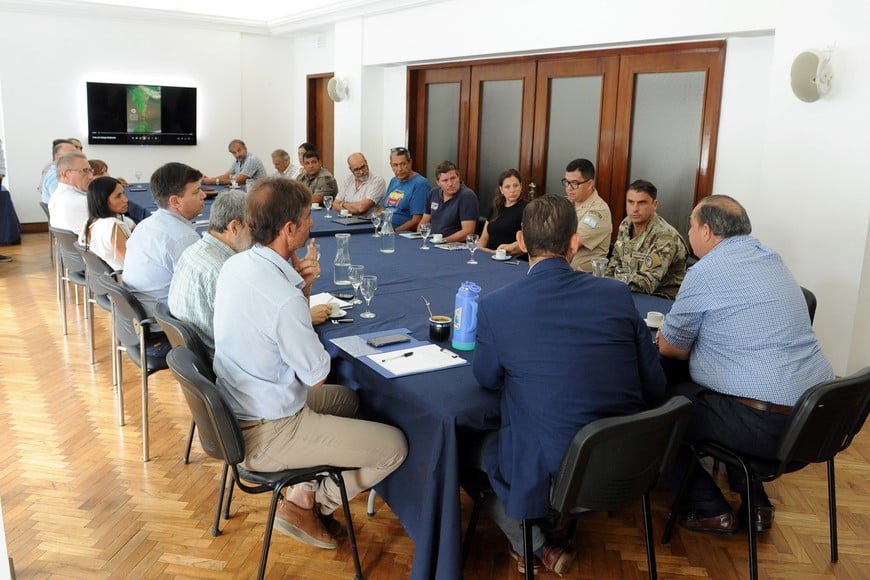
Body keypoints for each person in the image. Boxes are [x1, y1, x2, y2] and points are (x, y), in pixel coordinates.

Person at [470, 194, 666, 575]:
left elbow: (487, 378)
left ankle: (532, 541)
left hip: (559, 468)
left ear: (522, 241)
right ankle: (540, 536)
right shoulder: (616, 294)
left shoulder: (497, 305)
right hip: (630, 457)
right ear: (574, 243)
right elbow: (654, 384)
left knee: (467, 449)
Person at [212, 177, 407, 549]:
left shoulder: (237, 266)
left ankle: (305, 488)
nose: (312, 223)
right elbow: (316, 375)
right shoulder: (282, 298)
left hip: (242, 406)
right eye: (306, 218)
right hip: (269, 430)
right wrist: (298, 296)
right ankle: (315, 503)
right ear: (289, 229)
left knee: (347, 400)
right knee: (394, 446)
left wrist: (303, 289)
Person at [657, 195, 834, 535]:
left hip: (765, 426)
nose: (688, 232)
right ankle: (756, 505)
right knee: (721, 395)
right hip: (814, 419)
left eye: (691, 226)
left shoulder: (705, 271)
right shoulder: (772, 260)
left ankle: (708, 508)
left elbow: (671, 347)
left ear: (706, 231)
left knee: (665, 409)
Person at [168, 190, 251, 357]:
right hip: (223, 364)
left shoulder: (192, 250)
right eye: (254, 227)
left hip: (194, 358)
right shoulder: (223, 271)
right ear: (234, 227)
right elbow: (248, 337)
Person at [123, 162, 204, 316]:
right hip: (167, 322)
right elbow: (197, 293)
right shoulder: (183, 238)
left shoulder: (145, 224)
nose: (203, 196)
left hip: (141, 312)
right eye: (196, 192)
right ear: (175, 201)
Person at [605, 179, 688, 299]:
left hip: (661, 299)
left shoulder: (665, 236)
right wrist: (603, 283)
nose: (635, 209)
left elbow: (647, 282)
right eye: (630, 202)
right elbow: (615, 262)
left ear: (654, 205)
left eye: (641, 203)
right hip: (628, 291)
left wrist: (611, 286)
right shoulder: (626, 224)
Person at [563, 158, 612, 273]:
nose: (569, 188)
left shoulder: (599, 211)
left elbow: (570, 243)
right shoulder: (565, 203)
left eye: (574, 183)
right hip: (562, 271)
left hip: (584, 277)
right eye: (566, 182)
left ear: (590, 183)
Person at [78, 176, 135, 271]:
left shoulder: (89, 223)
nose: (125, 200)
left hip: (108, 281)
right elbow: (132, 262)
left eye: (123, 194)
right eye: (118, 196)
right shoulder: (113, 226)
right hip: (126, 280)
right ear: (102, 201)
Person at [417, 160, 479, 242]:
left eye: (453, 178)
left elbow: (468, 232)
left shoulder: (467, 196)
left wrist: (442, 241)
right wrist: (422, 237)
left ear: (458, 177)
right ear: (438, 182)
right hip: (432, 242)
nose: (450, 183)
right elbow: (424, 222)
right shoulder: (433, 192)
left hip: (454, 246)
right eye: (445, 180)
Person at [477, 168, 527, 255]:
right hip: (489, 255)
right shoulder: (496, 207)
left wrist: (507, 249)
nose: (512, 190)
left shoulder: (527, 208)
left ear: (521, 187)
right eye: (507, 187)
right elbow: (484, 238)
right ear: (501, 190)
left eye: (516, 185)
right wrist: (479, 251)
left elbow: (528, 240)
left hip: (510, 258)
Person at [382, 147, 428, 232]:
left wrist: (393, 232)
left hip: (401, 233)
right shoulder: (394, 180)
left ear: (410, 162)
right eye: (395, 165)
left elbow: (417, 221)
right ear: (391, 165)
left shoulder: (420, 184)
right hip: (384, 229)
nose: (399, 169)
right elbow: (383, 208)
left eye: (403, 164)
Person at [48, 151, 94, 234]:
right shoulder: (82, 202)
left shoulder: (55, 197)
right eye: (84, 171)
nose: (91, 176)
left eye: (91, 170)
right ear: (65, 175)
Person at [332, 152, 386, 218]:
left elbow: (361, 208)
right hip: (348, 219)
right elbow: (334, 205)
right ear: (351, 169)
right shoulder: (348, 179)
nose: (361, 172)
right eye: (356, 169)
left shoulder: (377, 181)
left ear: (366, 162)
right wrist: (347, 212)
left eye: (363, 167)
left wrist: (342, 204)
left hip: (367, 223)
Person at [202, 139, 267, 187]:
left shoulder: (252, 159)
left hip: (260, 192)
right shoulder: (237, 161)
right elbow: (226, 175)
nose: (237, 154)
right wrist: (210, 179)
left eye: (239, 150)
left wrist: (213, 181)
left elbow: (239, 181)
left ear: (245, 149)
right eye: (234, 152)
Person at [40, 140, 78, 204]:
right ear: (57, 157)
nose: (75, 157)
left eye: (75, 154)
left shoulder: (61, 171)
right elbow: (62, 201)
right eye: (69, 154)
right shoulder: (56, 176)